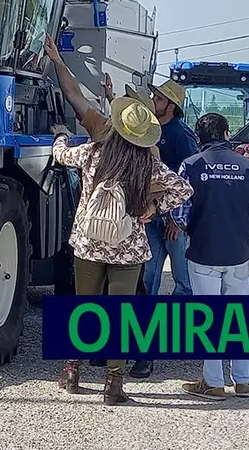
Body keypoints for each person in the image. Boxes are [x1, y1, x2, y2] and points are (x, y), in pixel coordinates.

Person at [51, 97, 193, 405]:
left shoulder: (91, 153)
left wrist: (60, 134)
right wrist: (154, 207)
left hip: (88, 244)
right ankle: (113, 384)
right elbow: (184, 188)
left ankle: (72, 372)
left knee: (83, 307)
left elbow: (61, 155)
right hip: (128, 248)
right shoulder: (147, 163)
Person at [171, 113, 249, 400]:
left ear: (199, 137)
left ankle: (213, 383)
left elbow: (179, 212)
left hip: (203, 252)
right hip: (238, 254)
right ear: (227, 134)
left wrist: (191, 227)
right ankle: (243, 381)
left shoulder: (191, 166)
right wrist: (243, 227)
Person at [129, 79, 199, 378]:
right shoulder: (153, 131)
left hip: (172, 221)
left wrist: (176, 220)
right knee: (149, 280)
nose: (153, 100)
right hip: (152, 217)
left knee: (184, 283)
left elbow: (188, 183)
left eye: (158, 98)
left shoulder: (181, 136)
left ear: (170, 106)